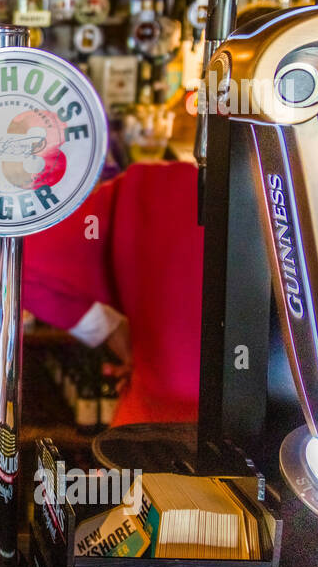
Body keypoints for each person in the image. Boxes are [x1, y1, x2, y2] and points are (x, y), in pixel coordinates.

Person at [22, 159, 202, 427]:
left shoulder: (152, 189)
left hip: (154, 443)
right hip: (279, 452)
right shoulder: (283, 200)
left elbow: (20, 259)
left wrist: (115, 333)